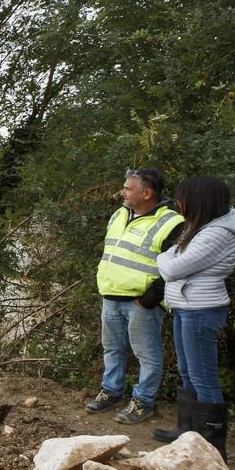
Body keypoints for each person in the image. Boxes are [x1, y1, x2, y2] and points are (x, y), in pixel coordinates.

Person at [151, 175, 235, 457]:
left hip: (202, 310)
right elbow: (171, 256)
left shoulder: (218, 234)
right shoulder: (200, 227)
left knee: (203, 376)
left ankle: (211, 447)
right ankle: (187, 432)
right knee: (187, 371)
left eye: (183, 198)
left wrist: (165, 260)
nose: (179, 203)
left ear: (199, 200)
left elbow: (170, 267)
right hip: (186, 306)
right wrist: (167, 259)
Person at [87, 168, 185, 424]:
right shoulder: (120, 214)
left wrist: (151, 297)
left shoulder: (172, 222)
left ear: (147, 193)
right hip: (111, 296)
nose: (123, 192)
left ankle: (143, 402)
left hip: (141, 302)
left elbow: (178, 265)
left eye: (128, 188)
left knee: (147, 355)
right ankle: (111, 391)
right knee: (112, 349)